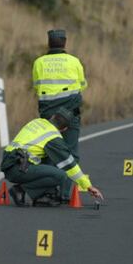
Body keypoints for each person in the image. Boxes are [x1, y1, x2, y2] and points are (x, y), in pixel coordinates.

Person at [0, 108, 103, 207]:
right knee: (61, 176)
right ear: (65, 129)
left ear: (53, 117)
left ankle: (39, 195)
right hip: (18, 168)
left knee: (49, 160)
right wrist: (88, 186)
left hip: (8, 163)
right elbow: (69, 165)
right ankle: (20, 190)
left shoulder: (37, 122)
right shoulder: (53, 137)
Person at [32, 29, 88, 200]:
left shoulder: (39, 62)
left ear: (48, 43)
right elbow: (82, 85)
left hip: (48, 114)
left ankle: (48, 191)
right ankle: (64, 194)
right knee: (70, 152)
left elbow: (36, 86)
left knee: (48, 151)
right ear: (65, 42)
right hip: (70, 113)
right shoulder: (74, 61)